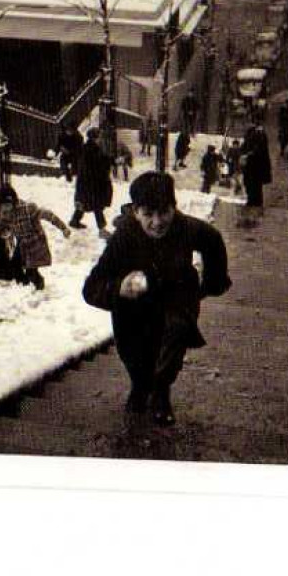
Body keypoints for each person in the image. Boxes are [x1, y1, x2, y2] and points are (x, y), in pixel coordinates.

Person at [82, 171, 231, 425]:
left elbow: (213, 241)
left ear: (174, 207)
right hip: (134, 307)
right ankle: (140, 386)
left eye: (164, 212)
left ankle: (161, 391)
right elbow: (91, 288)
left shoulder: (186, 228)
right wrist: (119, 288)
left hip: (177, 296)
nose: (157, 222)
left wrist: (212, 283)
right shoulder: (123, 238)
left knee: (175, 335)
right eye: (148, 214)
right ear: (135, 212)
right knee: (133, 351)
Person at [0, 185, 71, 290]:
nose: (5, 208)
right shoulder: (6, 215)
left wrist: (63, 228)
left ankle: (39, 286)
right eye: (3, 206)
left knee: (31, 271)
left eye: (7, 205)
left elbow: (48, 215)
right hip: (22, 244)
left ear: (13, 202)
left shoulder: (28, 209)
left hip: (36, 244)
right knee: (15, 267)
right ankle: (25, 286)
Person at [69, 127, 113, 238]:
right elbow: (98, 164)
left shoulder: (87, 148)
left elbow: (101, 160)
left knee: (84, 203)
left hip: (85, 183)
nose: (101, 139)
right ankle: (102, 230)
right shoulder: (92, 150)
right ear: (94, 138)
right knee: (97, 206)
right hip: (91, 183)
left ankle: (74, 221)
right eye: (99, 137)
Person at [241, 123, 272, 209]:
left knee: (254, 184)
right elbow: (244, 146)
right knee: (251, 184)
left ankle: (254, 201)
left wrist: (248, 155)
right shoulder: (253, 134)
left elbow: (258, 150)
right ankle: (253, 200)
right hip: (252, 166)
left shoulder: (259, 136)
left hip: (255, 166)